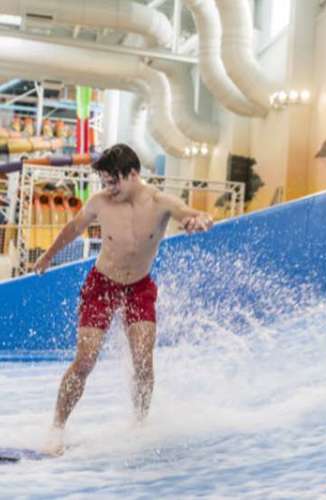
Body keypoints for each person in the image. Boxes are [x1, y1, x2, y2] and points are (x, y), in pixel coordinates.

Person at [33, 143, 213, 455]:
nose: (108, 188)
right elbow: (74, 228)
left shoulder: (159, 202)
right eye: (104, 182)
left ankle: (139, 424)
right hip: (102, 285)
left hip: (139, 288)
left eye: (113, 181)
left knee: (144, 362)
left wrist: (200, 220)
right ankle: (57, 428)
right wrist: (48, 256)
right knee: (85, 360)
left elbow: (189, 214)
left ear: (133, 174)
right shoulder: (100, 202)